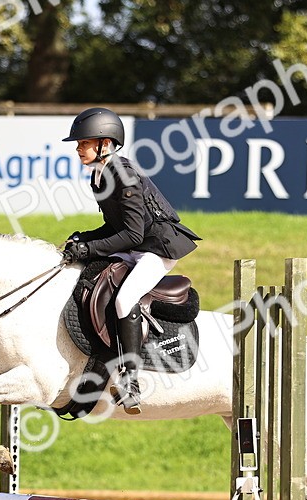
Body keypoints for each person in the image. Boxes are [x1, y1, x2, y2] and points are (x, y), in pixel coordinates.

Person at [60, 107, 200, 415]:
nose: (78, 148)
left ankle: (130, 380)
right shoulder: (99, 177)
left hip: (157, 249)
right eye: (79, 143)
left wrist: (90, 248)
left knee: (125, 300)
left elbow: (133, 235)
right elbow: (114, 228)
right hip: (134, 244)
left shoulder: (124, 176)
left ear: (105, 145)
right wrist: (84, 240)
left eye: (84, 143)